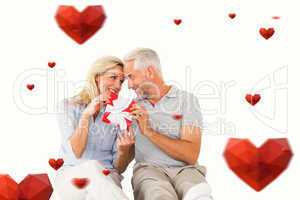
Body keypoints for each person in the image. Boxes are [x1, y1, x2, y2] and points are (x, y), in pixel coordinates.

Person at [123, 48, 213, 200]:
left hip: (186, 170)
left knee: (199, 194)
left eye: (131, 77)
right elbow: (124, 158)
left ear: (150, 72)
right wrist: (123, 149)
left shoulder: (187, 101)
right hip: (149, 171)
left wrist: (148, 131)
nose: (129, 85)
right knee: (158, 195)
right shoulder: (131, 108)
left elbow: (190, 155)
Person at [55, 56, 134, 200]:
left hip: (107, 178)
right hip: (72, 176)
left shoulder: (119, 113)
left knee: (98, 178)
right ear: (97, 77)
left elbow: (119, 168)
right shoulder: (68, 106)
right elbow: (76, 153)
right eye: (113, 77)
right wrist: (85, 116)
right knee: (91, 167)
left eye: (121, 81)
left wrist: (124, 151)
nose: (118, 85)